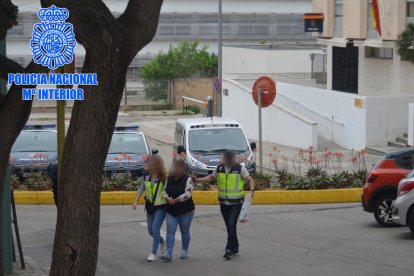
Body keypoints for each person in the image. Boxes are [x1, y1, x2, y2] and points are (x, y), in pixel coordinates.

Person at [193, 150, 255, 260]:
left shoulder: (240, 169)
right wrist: (197, 180)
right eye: (226, 158)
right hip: (223, 203)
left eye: (231, 158)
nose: (228, 160)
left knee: (231, 226)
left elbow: (250, 180)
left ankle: (229, 250)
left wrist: (251, 190)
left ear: (234, 158)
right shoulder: (220, 168)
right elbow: (211, 178)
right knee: (230, 228)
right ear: (224, 158)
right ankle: (235, 247)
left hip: (236, 203)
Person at [132, 155, 167, 262]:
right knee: (150, 231)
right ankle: (162, 241)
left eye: (150, 163)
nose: (147, 165)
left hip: (161, 207)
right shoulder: (146, 176)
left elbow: (167, 191)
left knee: (155, 229)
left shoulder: (164, 177)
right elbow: (141, 188)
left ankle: (153, 253)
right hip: (150, 207)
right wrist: (136, 201)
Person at [161, 157, 195, 261]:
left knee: (184, 231)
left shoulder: (188, 179)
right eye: (174, 167)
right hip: (171, 210)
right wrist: (167, 198)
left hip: (186, 211)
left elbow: (187, 194)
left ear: (183, 169)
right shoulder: (169, 178)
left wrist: (175, 200)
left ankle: (185, 251)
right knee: (170, 231)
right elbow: (163, 191)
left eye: (178, 168)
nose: (176, 170)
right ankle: (169, 253)